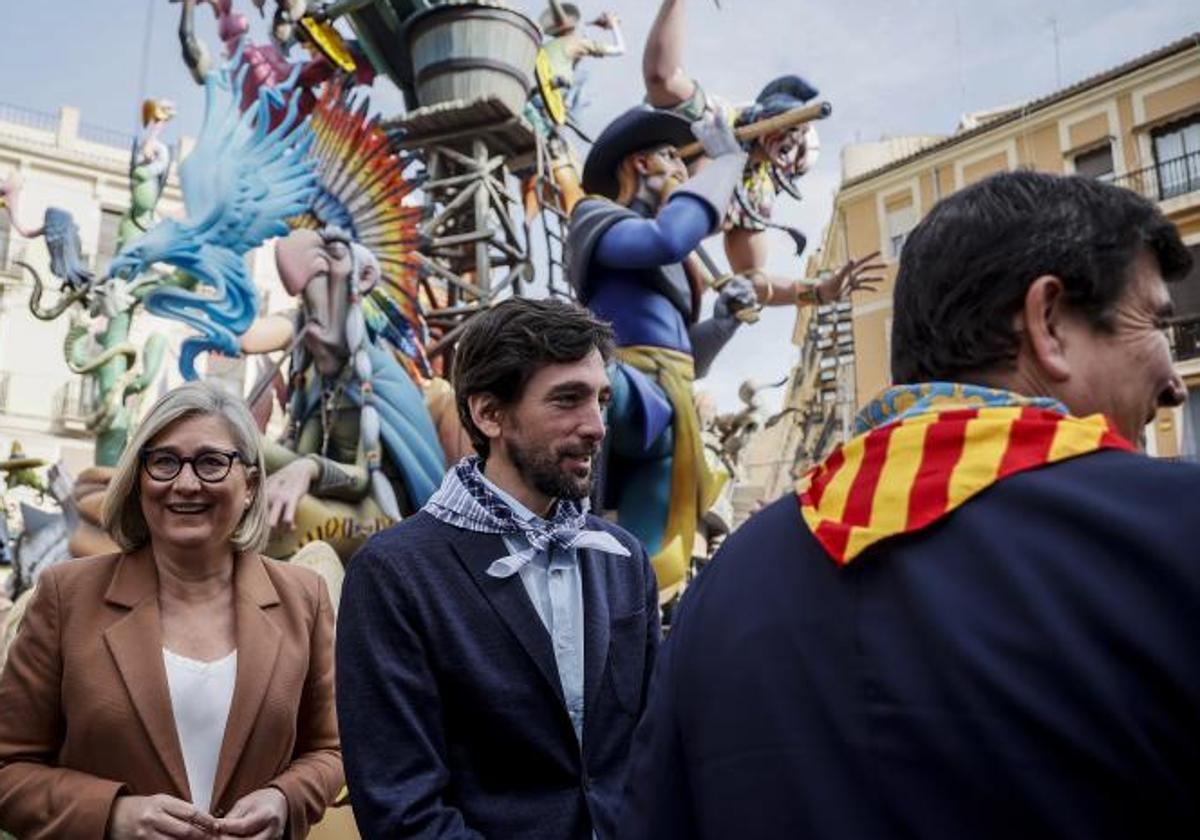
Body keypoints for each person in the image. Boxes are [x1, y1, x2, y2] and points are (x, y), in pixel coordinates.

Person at [620, 171, 1200, 839]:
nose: (1172, 380)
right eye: (1154, 320)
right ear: (1047, 323)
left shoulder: (722, 585)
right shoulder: (1174, 534)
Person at [337, 297, 659, 839]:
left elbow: (652, 750)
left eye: (601, 400)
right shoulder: (394, 575)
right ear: (488, 414)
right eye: (567, 400)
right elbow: (402, 811)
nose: (598, 426)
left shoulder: (624, 561)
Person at [0, 381, 343, 839]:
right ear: (139, 479)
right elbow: (8, 768)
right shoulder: (67, 596)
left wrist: (286, 798)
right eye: (164, 461)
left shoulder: (305, 598)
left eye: (211, 462)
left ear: (250, 484)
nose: (185, 483)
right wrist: (111, 815)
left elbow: (332, 750)